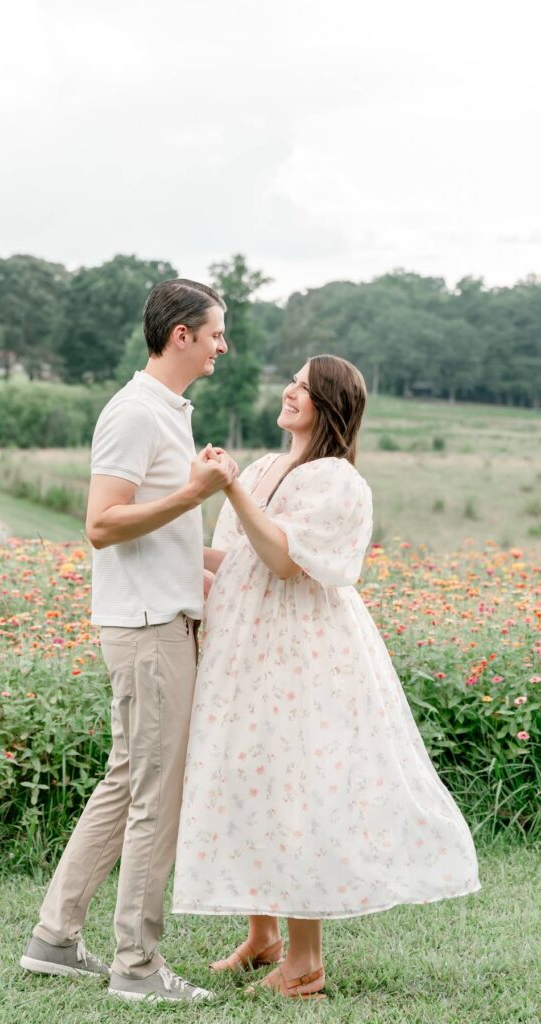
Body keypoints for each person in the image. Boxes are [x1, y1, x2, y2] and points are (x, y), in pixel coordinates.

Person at [172, 354, 480, 1000]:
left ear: (328, 405)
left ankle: (304, 963)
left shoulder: (338, 482)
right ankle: (262, 937)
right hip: (245, 647)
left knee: (294, 787)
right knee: (245, 774)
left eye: (303, 387)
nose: (288, 390)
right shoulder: (262, 468)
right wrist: (154, 544)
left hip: (302, 652)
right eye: (291, 380)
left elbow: (284, 562)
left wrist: (229, 491)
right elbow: (233, 559)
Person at [21, 279, 238, 1003]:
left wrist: (241, 561)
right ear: (180, 333)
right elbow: (102, 523)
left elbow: (164, 532)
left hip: (159, 621)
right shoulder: (134, 413)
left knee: (125, 785)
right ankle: (137, 969)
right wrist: (194, 493)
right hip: (148, 631)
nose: (221, 345)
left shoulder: (169, 414)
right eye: (214, 332)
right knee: (155, 797)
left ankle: (54, 937)